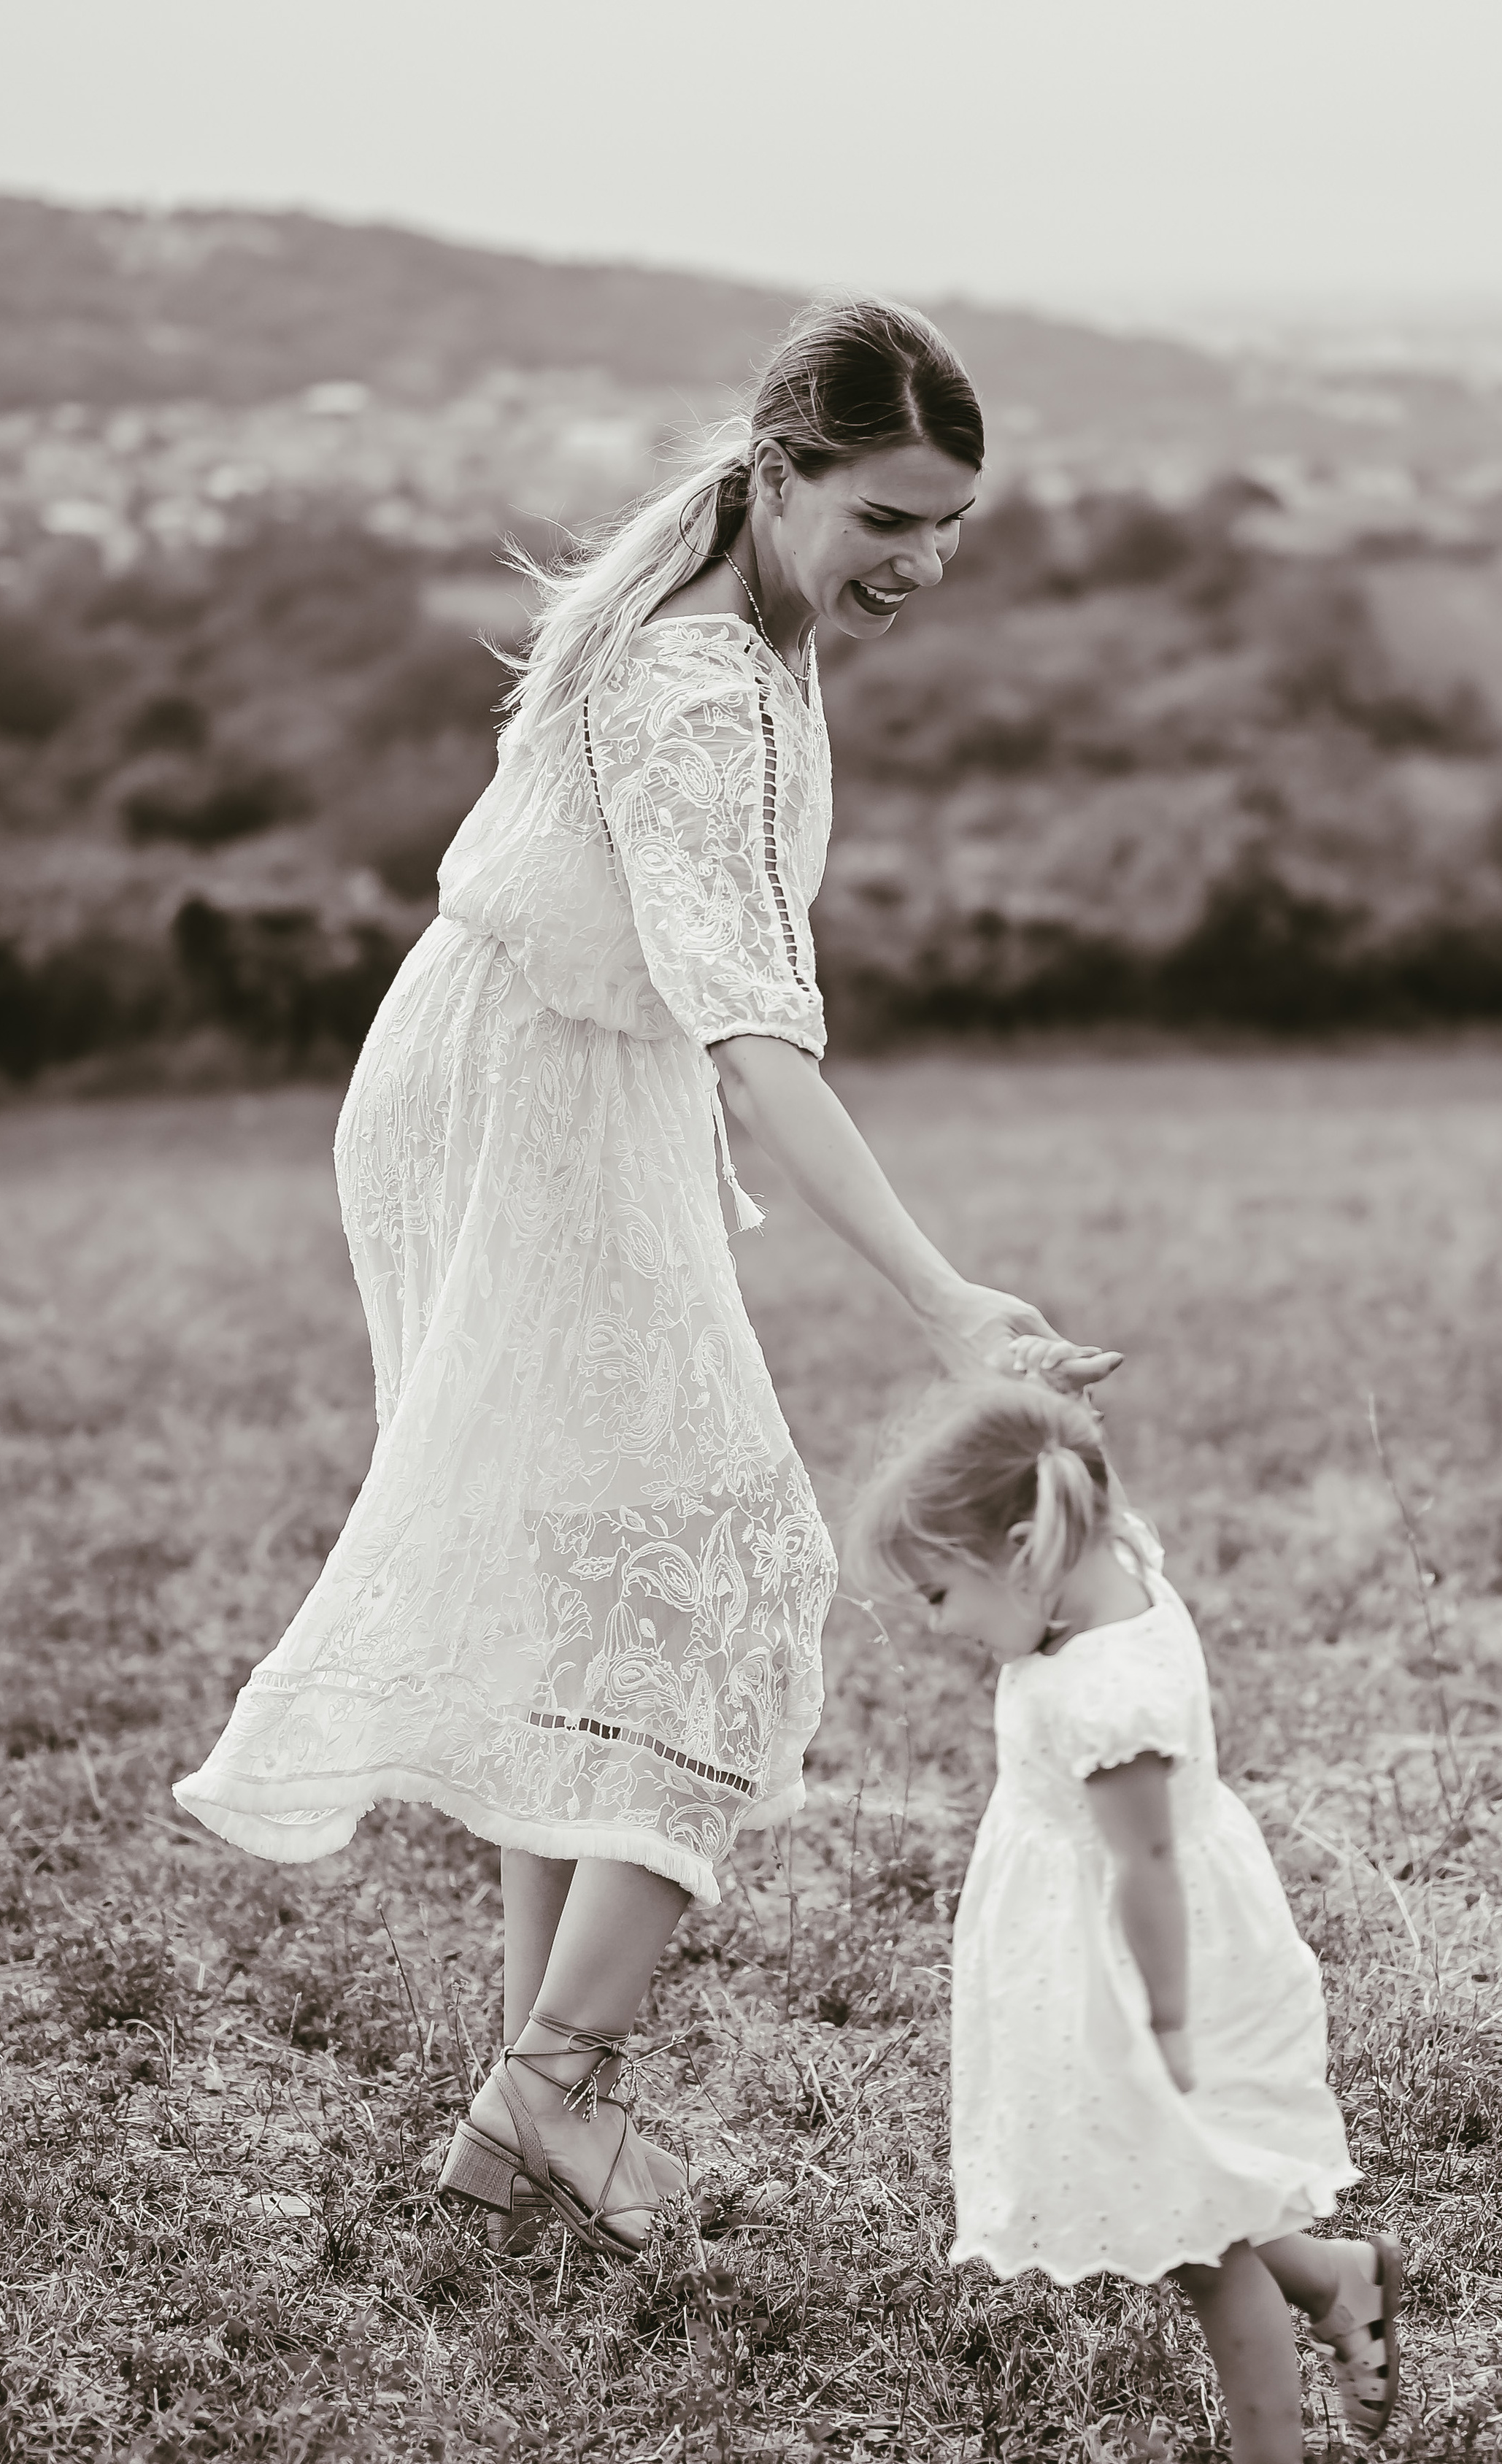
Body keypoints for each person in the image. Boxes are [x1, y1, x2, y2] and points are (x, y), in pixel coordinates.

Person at [174, 299, 1118, 2258]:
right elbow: (755, 1036)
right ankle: (557, 2084)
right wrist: (945, 1303)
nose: (924, 565)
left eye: (954, 525)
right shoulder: (703, 686)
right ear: (782, 475)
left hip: (519, 1072)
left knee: (582, 1590)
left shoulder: (742, 619)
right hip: (529, 1098)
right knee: (733, 1571)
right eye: (889, 518)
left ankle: (527, 2120)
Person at [844, 1378, 1401, 2464]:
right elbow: (1069, 1471)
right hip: (1109, 1949)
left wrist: (1166, 2020)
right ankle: (1335, 2278)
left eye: (940, 1593)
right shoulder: (1111, 1560)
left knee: (1196, 2233)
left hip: (1146, 1967)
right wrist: (1040, 1396)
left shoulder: (1108, 1693)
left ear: (1025, 1550)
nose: (938, 1627)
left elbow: (1145, 1863)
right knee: (1188, 2182)